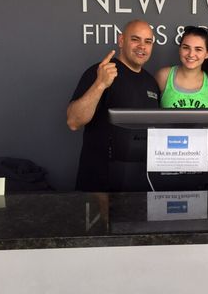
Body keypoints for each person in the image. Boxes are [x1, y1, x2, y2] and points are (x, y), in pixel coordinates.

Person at [67, 19, 160, 191]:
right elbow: (73, 121)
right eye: (135, 39)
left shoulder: (151, 82)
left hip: (139, 182)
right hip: (99, 183)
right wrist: (100, 84)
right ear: (121, 40)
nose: (142, 46)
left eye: (148, 41)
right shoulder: (101, 71)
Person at [155, 26, 208, 108]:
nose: (191, 54)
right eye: (186, 48)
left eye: (198, 49)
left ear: (207, 54)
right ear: (180, 49)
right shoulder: (164, 76)